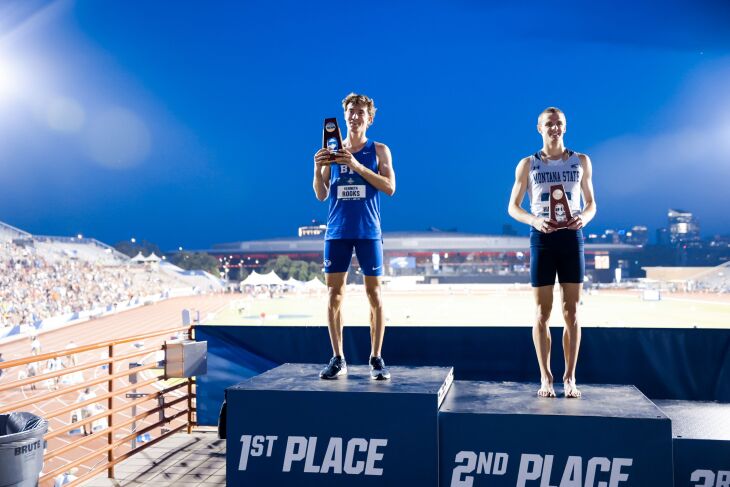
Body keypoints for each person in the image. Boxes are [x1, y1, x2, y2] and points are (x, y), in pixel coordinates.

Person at [507, 107, 597, 398]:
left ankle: (569, 377)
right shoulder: (527, 164)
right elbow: (512, 207)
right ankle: (545, 377)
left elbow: (593, 203)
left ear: (565, 127)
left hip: (571, 238)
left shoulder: (581, 161)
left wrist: (584, 217)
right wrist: (534, 220)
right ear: (539, 128)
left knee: (571, 312)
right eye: (549, 124)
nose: (554, 128)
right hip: (542, 240)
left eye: (559, 124)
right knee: (541, 313)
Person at [313, 93, 396, 380]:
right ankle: (338, 357)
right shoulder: (331, 149)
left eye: (361, 111)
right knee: (334, 295)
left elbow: (390, 187)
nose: (355, 115)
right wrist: (317, 166)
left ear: (369, 118)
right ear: (344, 116)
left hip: (368, 231)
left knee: (375, 295)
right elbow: (322, 193)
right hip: (336, 232)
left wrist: (357, 166)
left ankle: (376, 358)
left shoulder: (379, 150)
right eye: (350, 110)